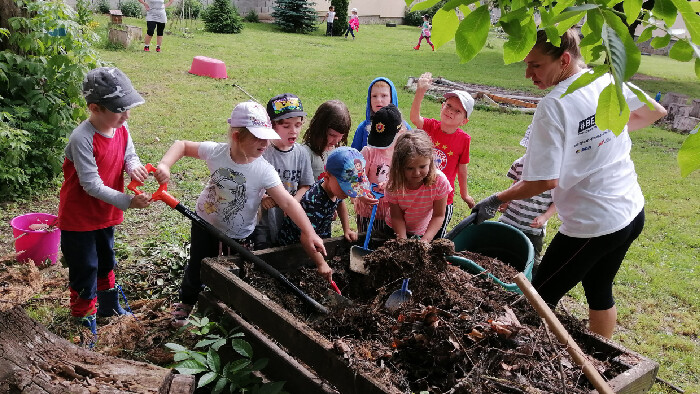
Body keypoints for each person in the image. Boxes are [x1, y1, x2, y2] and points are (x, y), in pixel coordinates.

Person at [468, 28, 667, 339]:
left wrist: (495, 199)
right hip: (631, 211)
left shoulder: (554, 105)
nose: (527, 74)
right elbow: (655, 111)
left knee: (535, 303)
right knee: (600, 289)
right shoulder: (604, 80)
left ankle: (518, 371)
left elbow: (542, 181)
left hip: (594, 225)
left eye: (535, 65)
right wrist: (606, 132)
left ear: (563, 59)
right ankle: (599, 356)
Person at [154, 101, 327, 327]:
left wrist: (310, 232)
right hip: (204, 222)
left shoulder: (263, 170)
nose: (265, 143)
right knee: (197, 264)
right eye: (258, 137)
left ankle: (220, 309)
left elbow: (287, 201)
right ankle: (186, 302)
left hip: (238, 234)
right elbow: (182, 145)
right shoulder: (217, 152)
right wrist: (165, 165)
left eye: (267, 136)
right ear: (237, 136)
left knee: (231, 271)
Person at [58, 67, 151, 346]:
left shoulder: (120, 126)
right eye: (120, 110)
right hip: (79, 217)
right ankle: (84, 316)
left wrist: (133, 168)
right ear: (95, 108)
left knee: (106, 257)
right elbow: (91, 185)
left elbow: (129, 155)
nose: (126, 116)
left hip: (105, 213)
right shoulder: (82, 138)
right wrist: (128, 201)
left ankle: (109, 304)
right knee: (85, 265)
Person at [278, 147, 367, 272]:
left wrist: (346, 229)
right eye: (345, 188)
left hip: (319, 238)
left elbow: (340, 204)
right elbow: (305, 238)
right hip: (295, 246)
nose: (348, 193)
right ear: (327, 177)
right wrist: (320, 263)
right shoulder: (313, 201)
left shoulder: (334, 189)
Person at [410, 72, 476, 239]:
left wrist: (464, 194)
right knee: (416, 234)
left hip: (444, 198)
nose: (451, 111)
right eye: (448, 106)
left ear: (464, 121)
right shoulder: (431, 126)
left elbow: (462, 169)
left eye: (458, 111)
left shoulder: (464, 140)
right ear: (442, 106)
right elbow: (414, 118)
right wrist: (420, 92)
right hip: (422, 194)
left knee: (436, 238)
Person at [252, 93, 314, 249]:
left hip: (290, 220)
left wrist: (294, 202)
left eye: (298, 125)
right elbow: (250, 183)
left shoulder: (302, 153)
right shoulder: (262, 152)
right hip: (263, 222)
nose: (293, 131)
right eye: (286, 126)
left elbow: (306, 185)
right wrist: (263, 196)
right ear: (272, 125)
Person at [497, 125, 556, 270]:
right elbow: (515, 186)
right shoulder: (520, 163)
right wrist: (507, 201)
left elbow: (557, 201)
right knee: (500, 250)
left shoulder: (554, 171)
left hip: (533, 226)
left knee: (532, 261)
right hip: (510, 218)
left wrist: (545, 217)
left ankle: (531, 284)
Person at [386, 132, 452, 241]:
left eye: (422, 166)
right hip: (394, 230)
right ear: (399, 166)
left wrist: (425, 241)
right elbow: (397, 217)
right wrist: (402, 241)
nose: (416, 173)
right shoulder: (394, 184)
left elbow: (438, 216)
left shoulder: (439, 182)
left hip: (423, 232)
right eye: (409, 168)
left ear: (430, 161)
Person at [354, 104, 404, 238]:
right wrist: (361, 194)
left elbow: (404, 179)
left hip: (391, 212)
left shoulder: (401, 154)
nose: (381, 145)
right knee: (365, 239)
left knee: (384, 242)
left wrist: (391, 184)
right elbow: (356, 176)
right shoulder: (368, 152)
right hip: (367, 211)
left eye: (386, 141)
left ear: (400, 132)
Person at [350, 78, 412, 151]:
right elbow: (354, 155)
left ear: (392, 98)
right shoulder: (363, 128)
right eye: (374, 96)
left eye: (384, 95)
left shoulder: (403, 127)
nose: (378, 100)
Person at [302, 100, 351, 179]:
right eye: (332, 135)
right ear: (319, 128)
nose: (336, 141)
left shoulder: (338, 151)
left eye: (341, 136)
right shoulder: (306, 153)